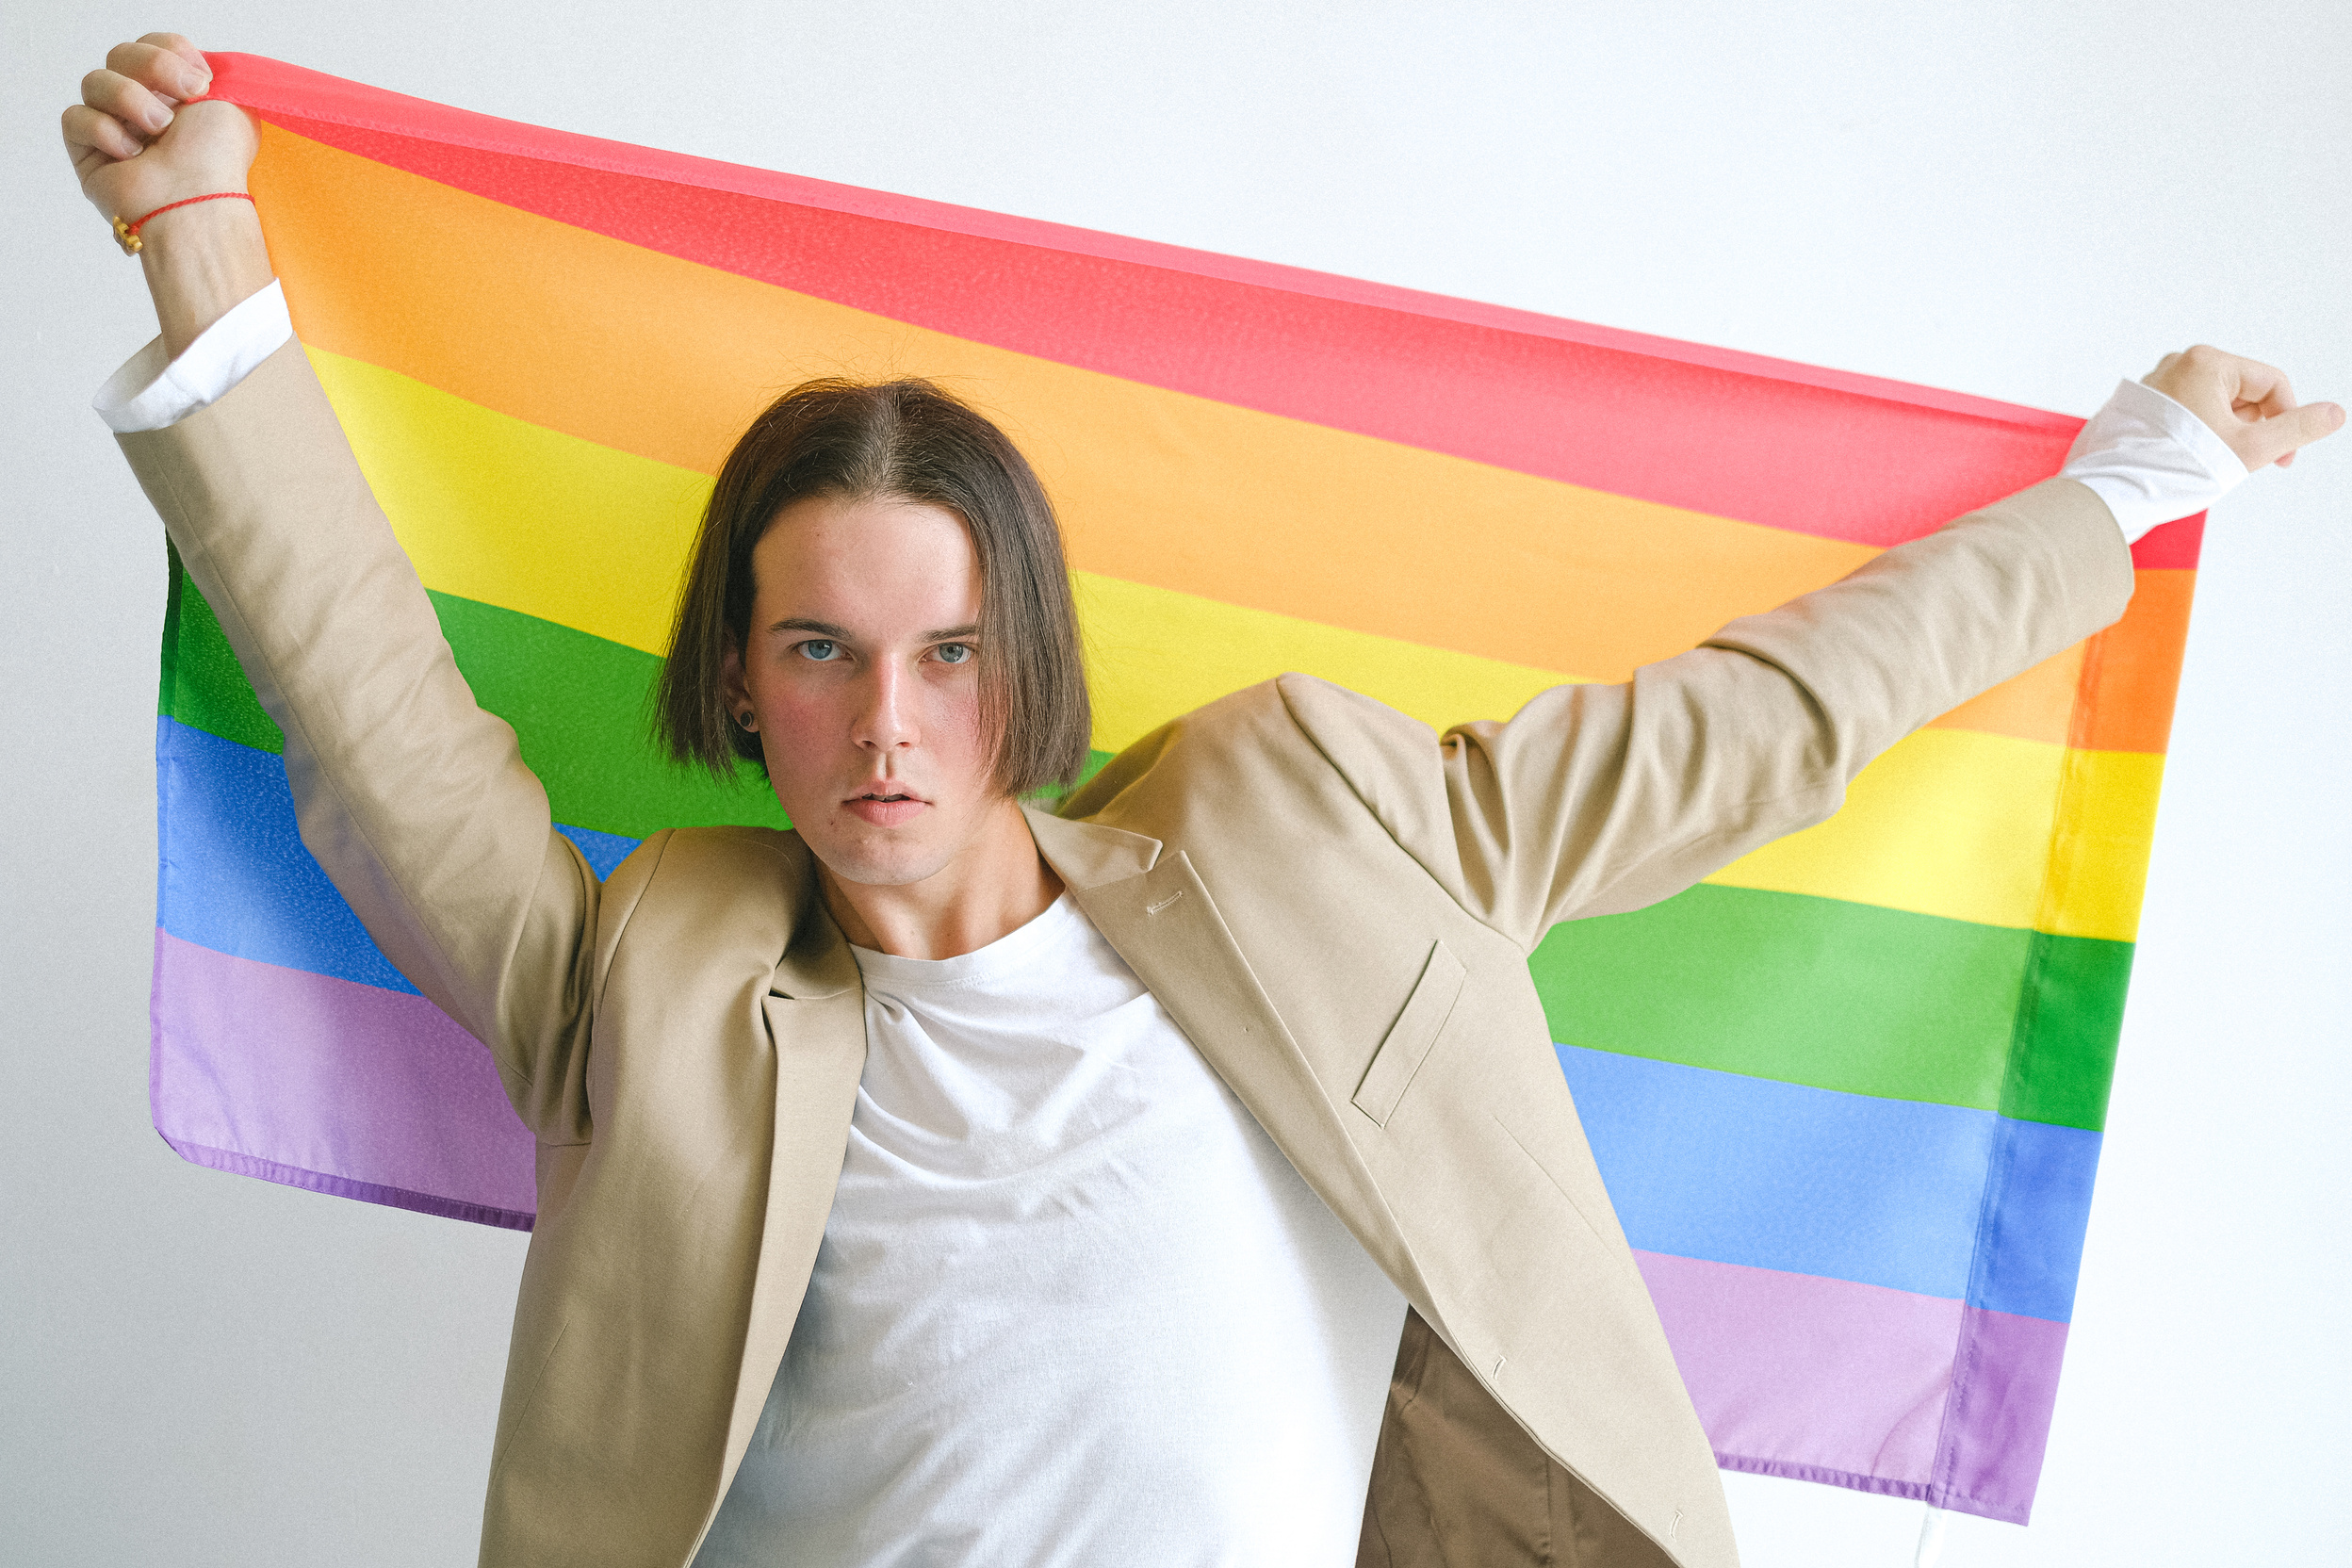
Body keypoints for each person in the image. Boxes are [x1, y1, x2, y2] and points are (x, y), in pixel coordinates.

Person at [63, 31, 2342, 1568]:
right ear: (738, 696)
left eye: (949, 653)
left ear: (1030, 666)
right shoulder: (653, 973)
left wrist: (2128, 481)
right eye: (821, 653)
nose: (892, 725)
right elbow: (374, 724)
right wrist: (202, 241)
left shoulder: (1321, 831)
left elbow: (1761, 718)